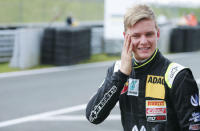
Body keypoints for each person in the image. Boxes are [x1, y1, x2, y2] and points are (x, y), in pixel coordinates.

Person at [85, 4, 200, 131]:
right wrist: (122, 75)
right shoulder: (117, 71)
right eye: (136, 36)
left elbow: (193, 127)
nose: (144, 41)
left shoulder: (178, 76)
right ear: (125, 37)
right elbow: (93, 116)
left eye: (149, 34)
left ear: (158, 34)